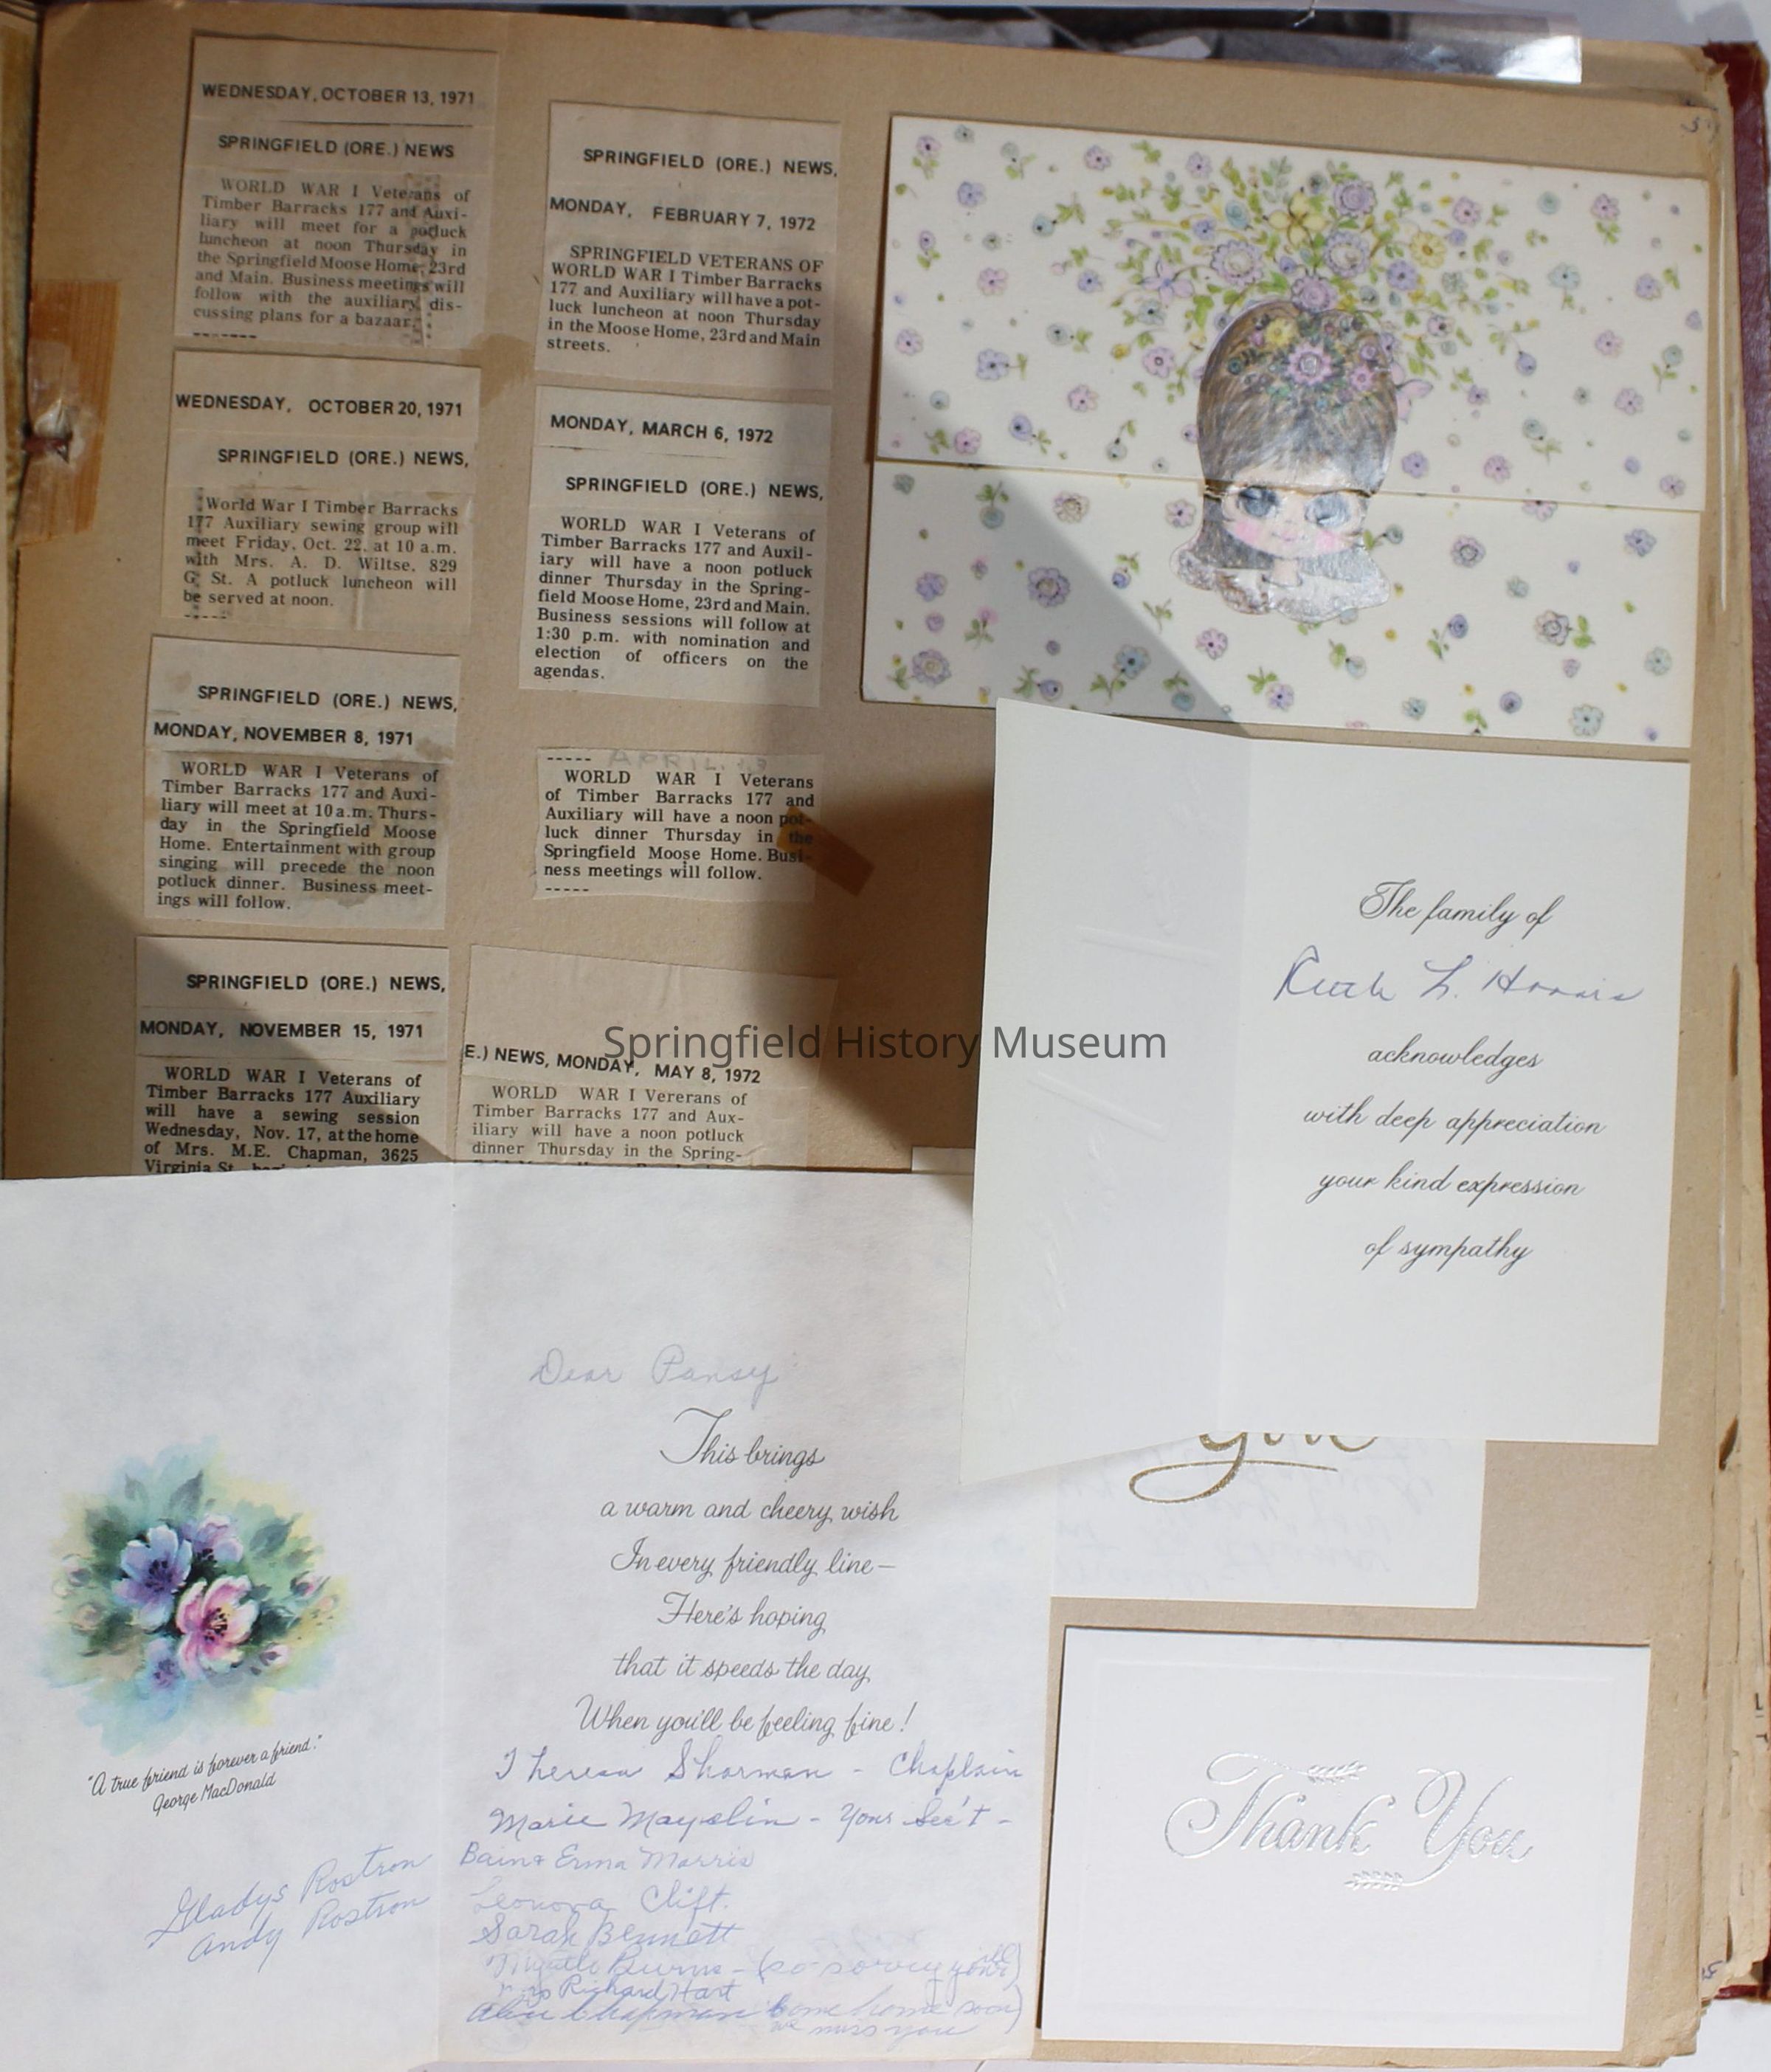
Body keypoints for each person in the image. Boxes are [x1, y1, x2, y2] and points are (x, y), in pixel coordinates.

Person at [1173, 299, 1409, 624]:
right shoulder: (1214, 577)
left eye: (1327, 511)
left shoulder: (1342, 591)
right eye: (1259, 501)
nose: (1290, 528)